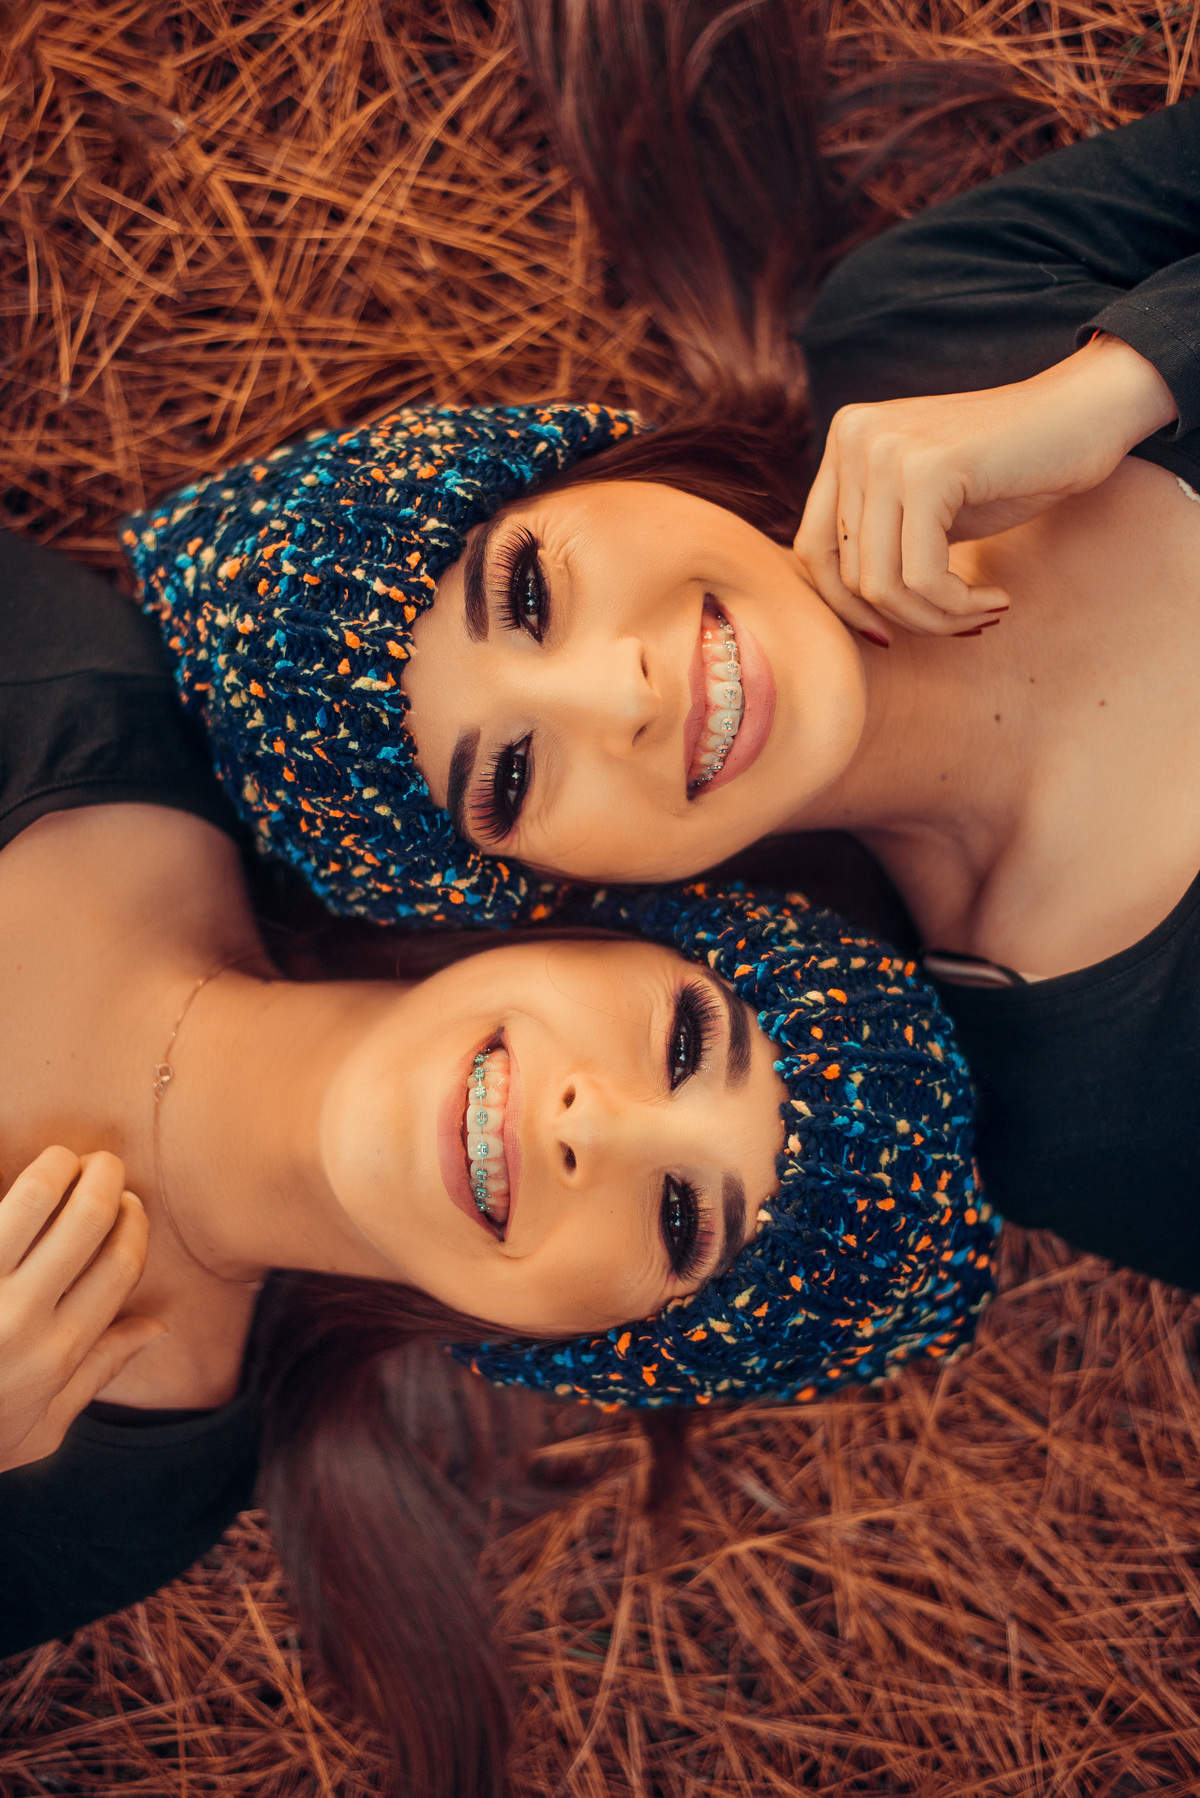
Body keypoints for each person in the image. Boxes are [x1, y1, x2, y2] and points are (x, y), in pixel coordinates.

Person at [121, 2, 1200, 1292]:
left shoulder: (922, 325)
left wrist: (1125, 385)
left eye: (529, 592)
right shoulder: (1078, 1118)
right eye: (513, 774)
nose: (618, 696)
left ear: (606, 473)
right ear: (571, 895)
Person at [0, 528, 991, 1797]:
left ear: (574, 1343)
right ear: (581, 930)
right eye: (684, 1042)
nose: (596, 1129)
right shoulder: (63, 690)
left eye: (679, 1220)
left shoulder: (118, 1491)